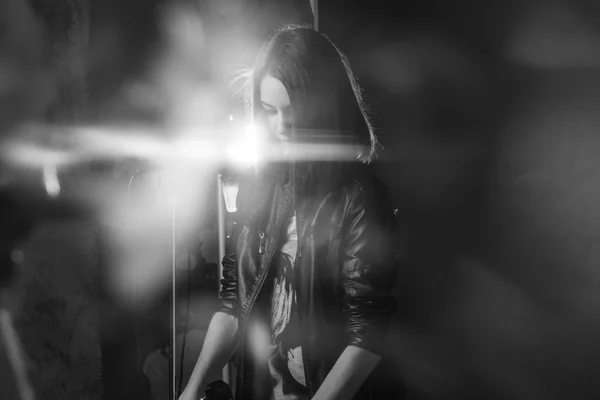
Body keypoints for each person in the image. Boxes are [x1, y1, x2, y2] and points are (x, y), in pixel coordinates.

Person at [180, 24, 401, 400]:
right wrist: (192, 387)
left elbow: (366, 334)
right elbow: (234, 302)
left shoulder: (360, 198)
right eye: (269, 110)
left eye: (294, 111)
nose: (281, 126)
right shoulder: (258, 185)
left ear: (324, 106)